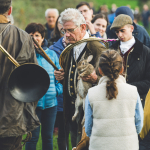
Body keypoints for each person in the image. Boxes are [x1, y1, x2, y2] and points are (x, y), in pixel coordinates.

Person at [54, 8, 106, 149]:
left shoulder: (97, 47)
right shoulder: (71, 47)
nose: (67, 35)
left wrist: (96, 78)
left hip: (91, 112)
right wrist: (63, 77)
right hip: (73, 111)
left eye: (70, 30)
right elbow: (73, 78)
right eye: (64, 31)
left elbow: (112, 78)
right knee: (75, 145)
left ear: (83, 27)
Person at [0, 0, 41, 150]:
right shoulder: (24, 37)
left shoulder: (23, 37)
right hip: (12, 116)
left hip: (12, 115)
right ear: (9, 11)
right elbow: (34, 81)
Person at [85, 50, 143, 150]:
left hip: (99, 146)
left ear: (100, 70)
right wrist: (129, 135)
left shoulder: (91, 93)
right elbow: (139, 123)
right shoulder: (133, 91)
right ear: (122, 69)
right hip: (128, 145)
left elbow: (88, 127)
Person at [110, 14, 150, 150]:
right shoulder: (111, 51)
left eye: (122, 30)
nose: (119, 35)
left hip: (138, 104)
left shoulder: (145, 52)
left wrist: (126, 88)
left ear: (131, 28)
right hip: (114, 105)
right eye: (117, 32)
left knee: (137, 142)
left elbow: (148, 82)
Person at [25, 23, 63, 150]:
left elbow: (59, 77)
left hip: (51, 105)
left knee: (47, 137)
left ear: (42, 38)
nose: (34, 38)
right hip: (32, 106)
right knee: (32, 138)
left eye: (37, 35)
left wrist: (56, 92)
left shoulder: (51, 55)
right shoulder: (24, 56)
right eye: (30, 35)